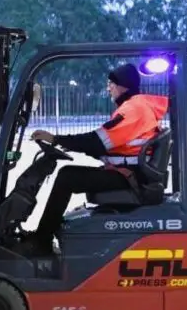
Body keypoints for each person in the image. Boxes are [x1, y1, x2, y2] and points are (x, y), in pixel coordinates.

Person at [21, 63, 169, 256]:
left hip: (130, 178)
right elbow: (110, 146)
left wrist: (57, 139)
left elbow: (98, 141)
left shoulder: (134, 109)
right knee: (69, 174)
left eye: (112, 84)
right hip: (130, 172)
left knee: (67, 177)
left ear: (124, 86)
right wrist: (69, 144)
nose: (109, 88)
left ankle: (42, 241)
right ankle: (44, 236)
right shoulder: (136, 106)